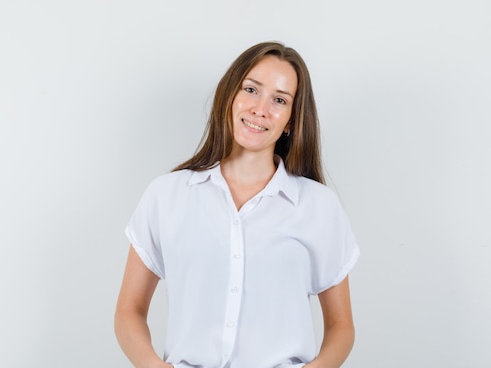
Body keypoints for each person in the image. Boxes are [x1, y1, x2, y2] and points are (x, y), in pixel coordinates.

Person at [114, 41, 360, 368]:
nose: (260, 109)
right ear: (230, 94)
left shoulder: (319, 206)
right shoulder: (166, 195)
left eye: (279, 100)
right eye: (251, 89)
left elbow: (341, 327)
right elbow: (129, 310)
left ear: (290, 120)